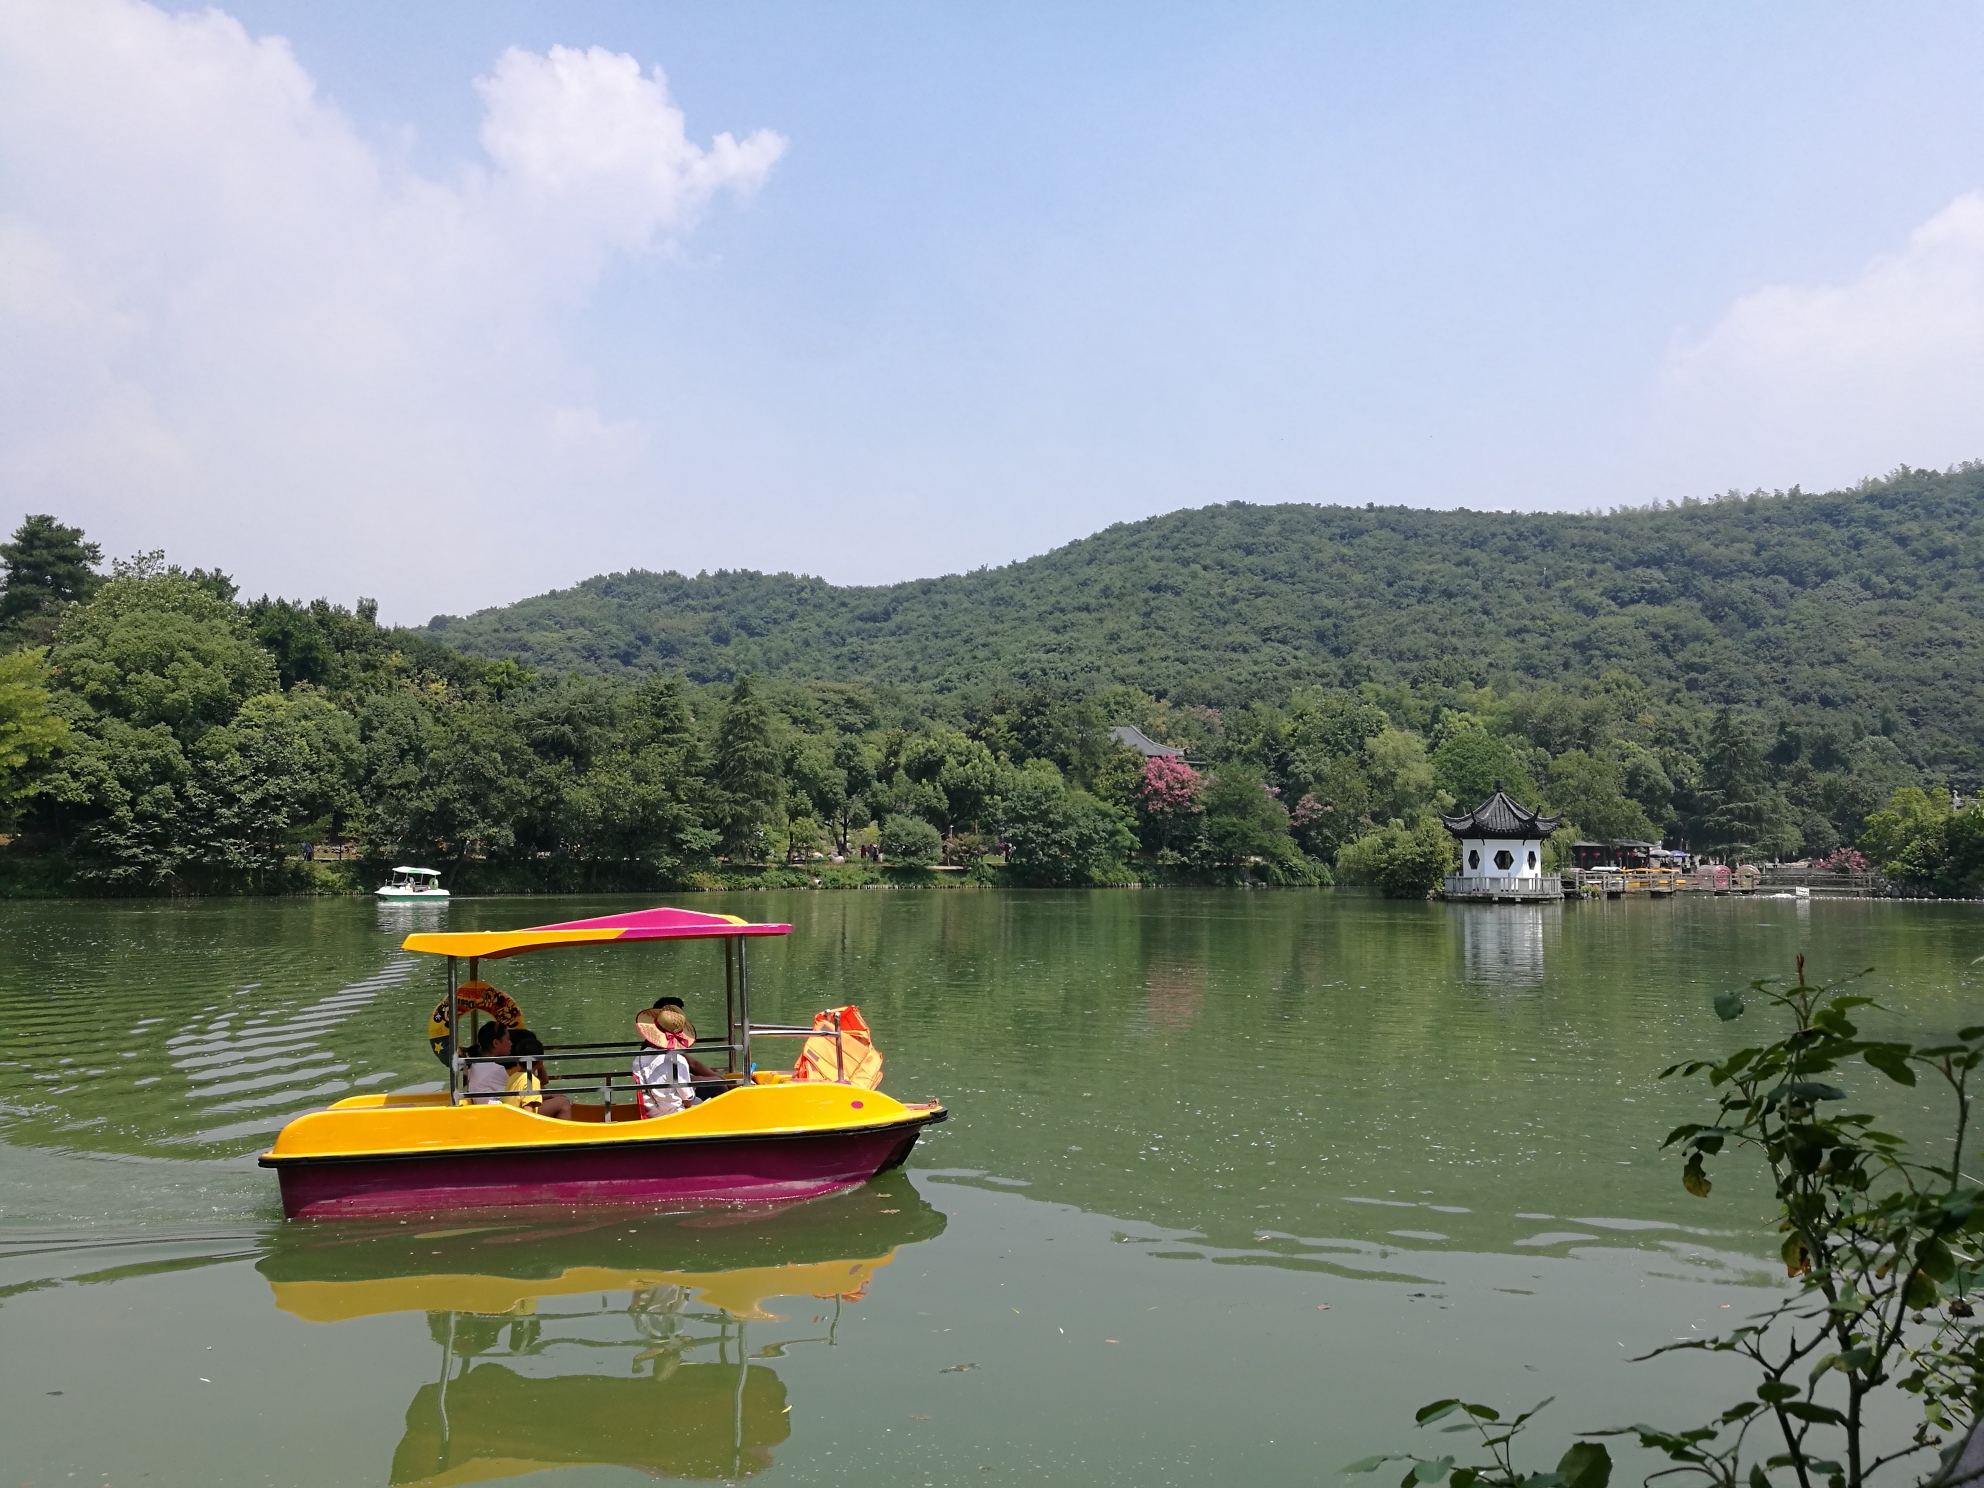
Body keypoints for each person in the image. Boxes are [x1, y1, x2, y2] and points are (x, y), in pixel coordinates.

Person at [650, 996, 730, 1100]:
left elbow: (692, 1064)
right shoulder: (663, 1048)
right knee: (718, 1087)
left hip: (665, 1090)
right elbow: (681, 1074)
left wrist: (720, 1079)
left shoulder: (657, 1043)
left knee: (717, 1082)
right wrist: (719, 1081)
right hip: (670, 1093)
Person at [632, 1006, 701, 1119]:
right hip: (674, 1115)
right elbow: (687, 1099)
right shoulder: (678, 1061)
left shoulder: (639, 1058)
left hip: (650, 1113)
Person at [506, 1028, 573, 1119]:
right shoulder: (531, 1080)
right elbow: (527, 1110)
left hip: (511, 1115)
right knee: (563, 1103)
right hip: (520, 1120)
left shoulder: (514, 1077)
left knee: (558, 1099)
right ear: (540, 1061)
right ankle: (564, 1132)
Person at [463, 1022, 513, 1104]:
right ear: (496, 1043)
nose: (510, 1043)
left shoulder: (474, 1064)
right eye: (508, 1039)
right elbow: (513, 1097)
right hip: (496, 1112)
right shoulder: (496, 1070)